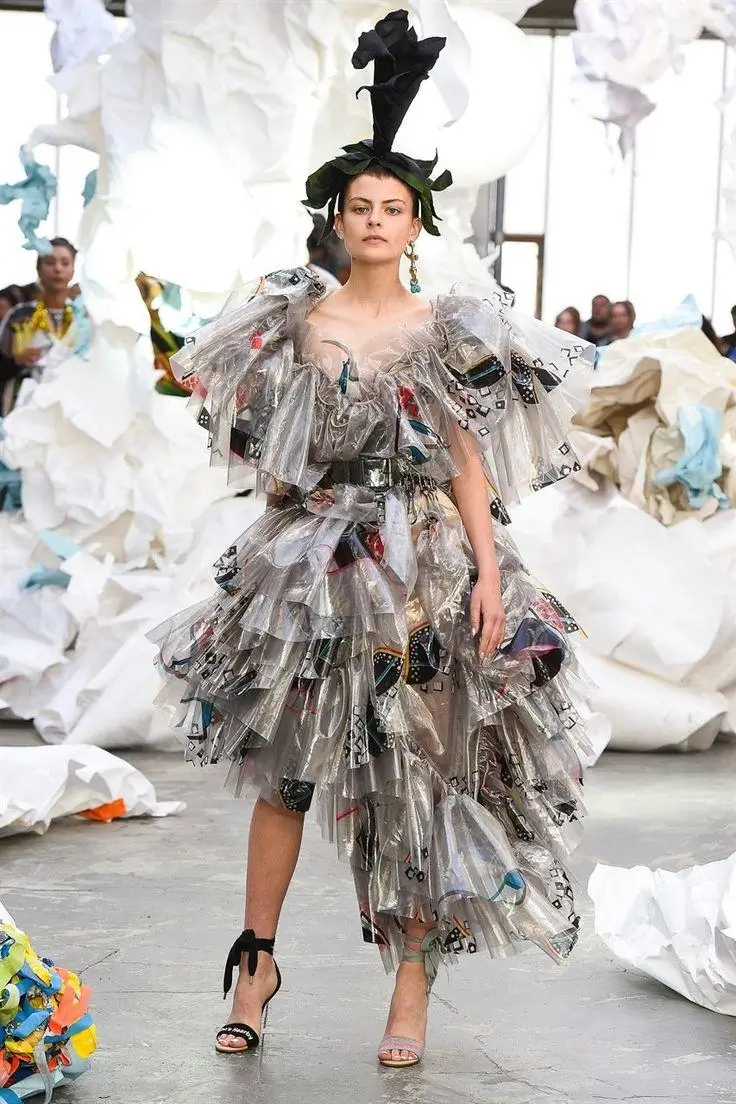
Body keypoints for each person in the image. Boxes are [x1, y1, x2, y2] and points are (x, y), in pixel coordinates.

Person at [151, 9, 594, 1071]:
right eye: (361, 207)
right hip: (314, 561)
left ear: (416, 223)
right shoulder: (295, 322)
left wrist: (489, 577)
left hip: (426, 568)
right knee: (287, 773)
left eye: (394, 208)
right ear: (337, 220)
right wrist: (281, 538)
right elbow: (274, 453)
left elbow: (467, 458)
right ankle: (254, 967)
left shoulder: (448, 327)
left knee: (421, 778)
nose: (377, 221)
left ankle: (410, 988)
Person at [0, 238, 85, 415]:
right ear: (39, 269)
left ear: (73, 271)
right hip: (24, 412)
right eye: (50, 262)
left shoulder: (83, 318)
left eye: (65, 263)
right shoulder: (20, 316)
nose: (58, 269)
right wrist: (15, 362)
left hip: (72, 410)